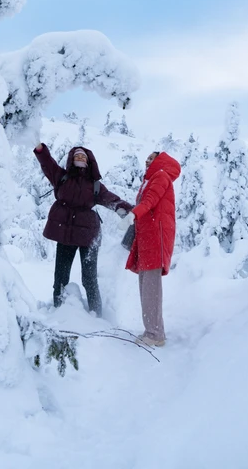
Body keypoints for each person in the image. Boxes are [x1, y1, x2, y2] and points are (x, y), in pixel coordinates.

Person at [34, 143, 132, 316]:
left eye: (83, 157)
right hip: (66, 233)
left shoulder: (95, 186)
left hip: (89, 235)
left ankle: (97, 316)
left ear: (88, 162)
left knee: (89, 279)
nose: (80, 158)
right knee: (61, 277)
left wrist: (131, 212)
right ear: (71, 160)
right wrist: (40, 149)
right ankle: (59, 312)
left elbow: (113, 200)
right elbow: (47, 163)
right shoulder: (61, 177)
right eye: (77, 156)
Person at [122, 149, 181, 347]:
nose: (147, 161)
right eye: (146, 158)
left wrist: (134, 214)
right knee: (147, 286)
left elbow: (150, 200)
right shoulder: (151, 179)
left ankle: (155, 335)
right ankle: (154, 331)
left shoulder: (161, 176)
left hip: (155, 239)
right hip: (148, 239)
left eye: (151, 158)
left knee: (150, 288)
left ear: (160, 160)